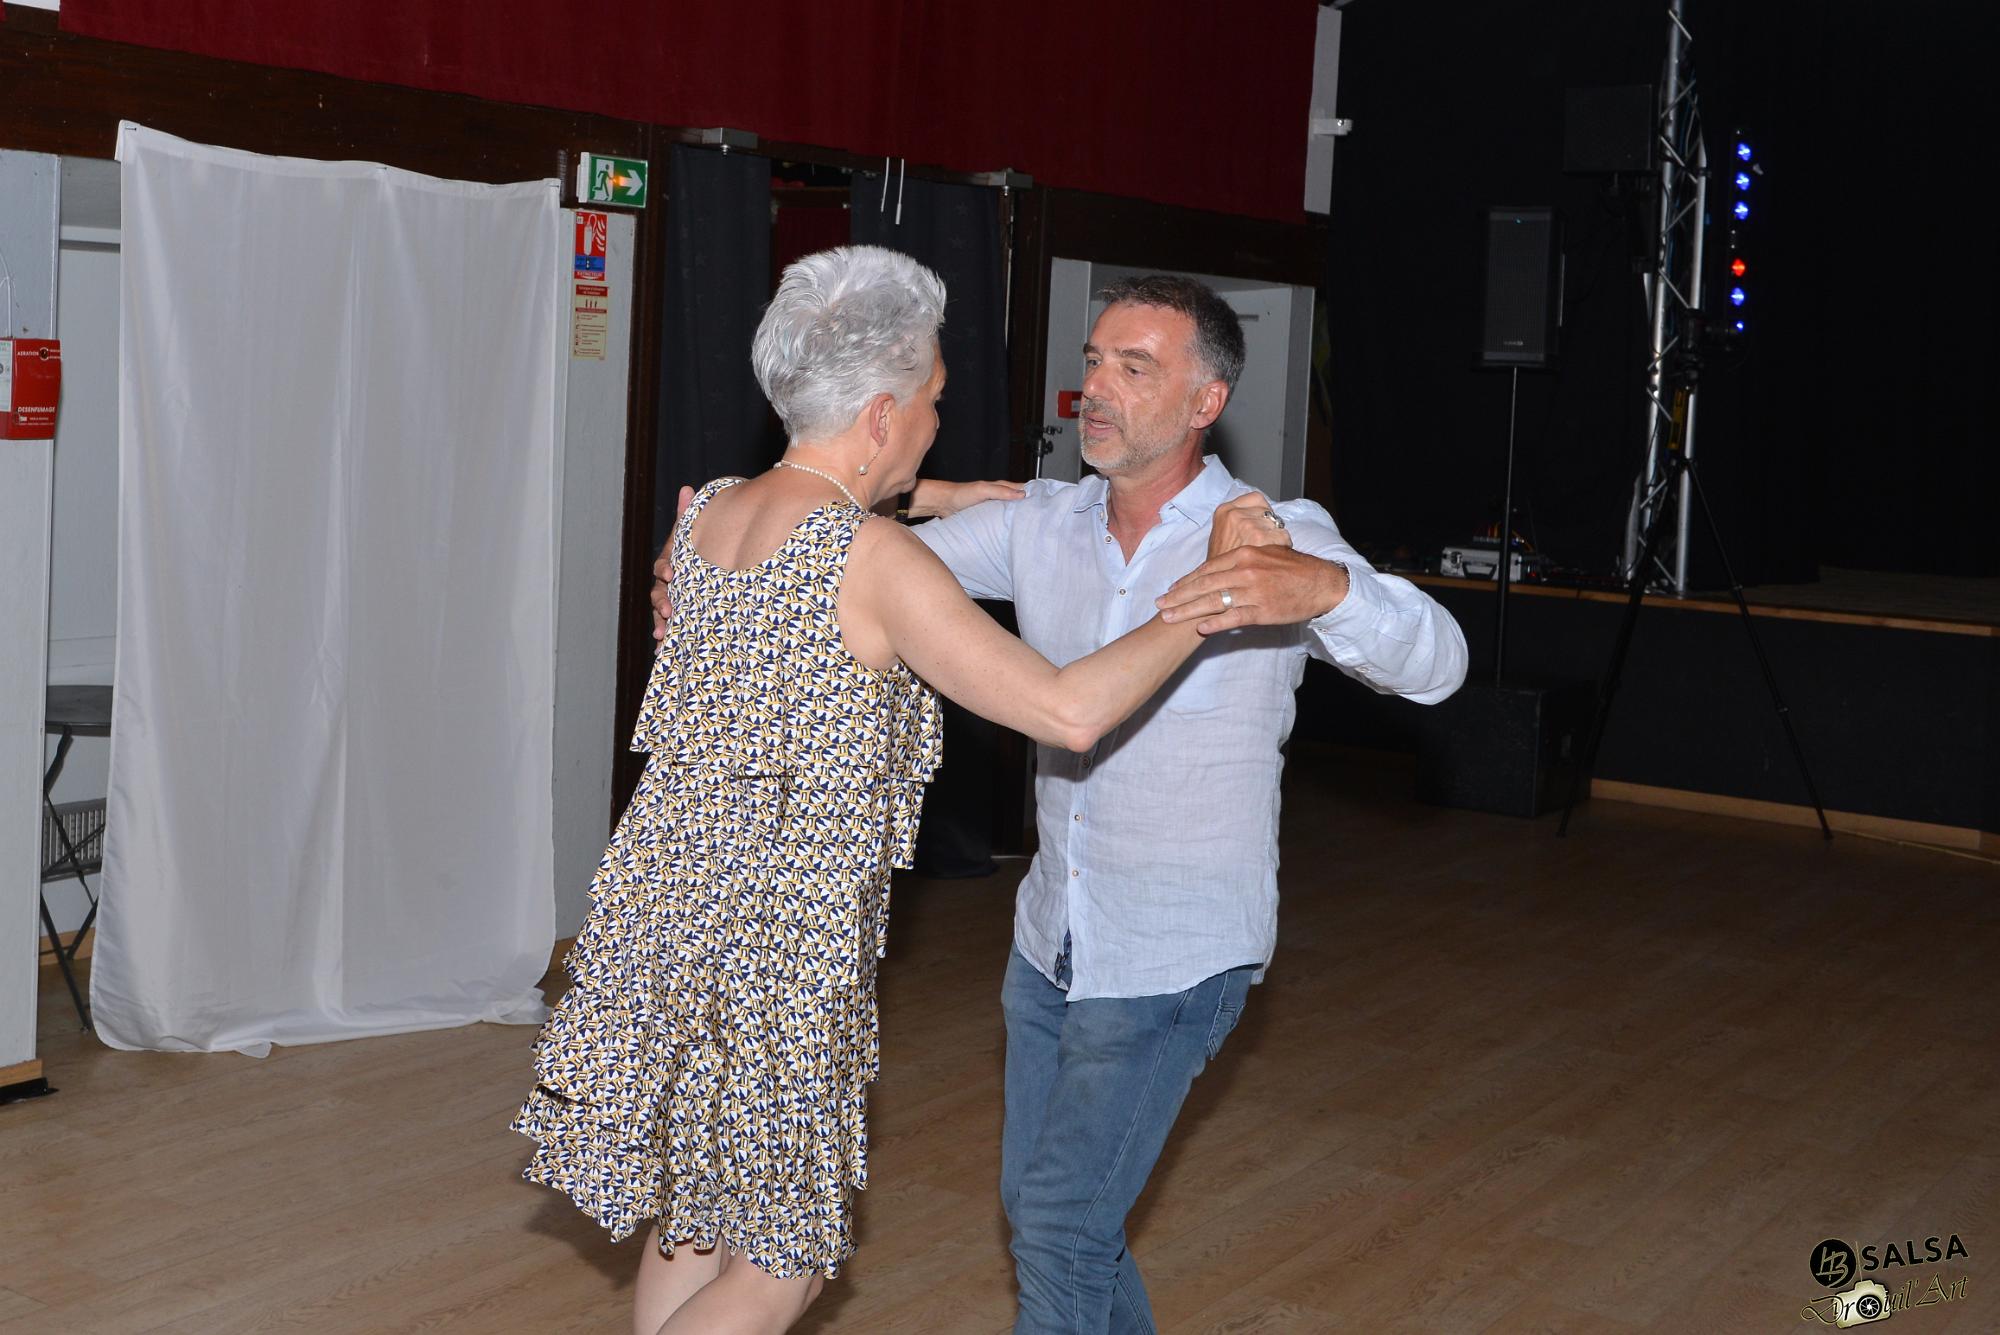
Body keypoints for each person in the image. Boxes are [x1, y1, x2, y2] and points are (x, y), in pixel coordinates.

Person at [659, 271, 1468, 1332]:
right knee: (1049, 1219)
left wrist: (1328, 589)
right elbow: (840, 568)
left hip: (1173, 953)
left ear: (1206, 402)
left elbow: (1438, 665)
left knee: (1058, 1229)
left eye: (1136, 367)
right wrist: (706, 563)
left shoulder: (1271, 533)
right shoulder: (1040, 524)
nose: (1098, 387)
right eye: (1093, 362)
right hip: (1049, 945)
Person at [514, 247, 1275, 1335]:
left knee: (696, 1217)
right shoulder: (869, 561)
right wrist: (1207, 596)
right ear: (880, 414)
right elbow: (1068, 712)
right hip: (779, 945)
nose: (934, 422)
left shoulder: (712, 512)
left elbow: (817, 523)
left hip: (664, 914)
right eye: (931, 402)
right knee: (781, 1263)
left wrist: (951, 494)